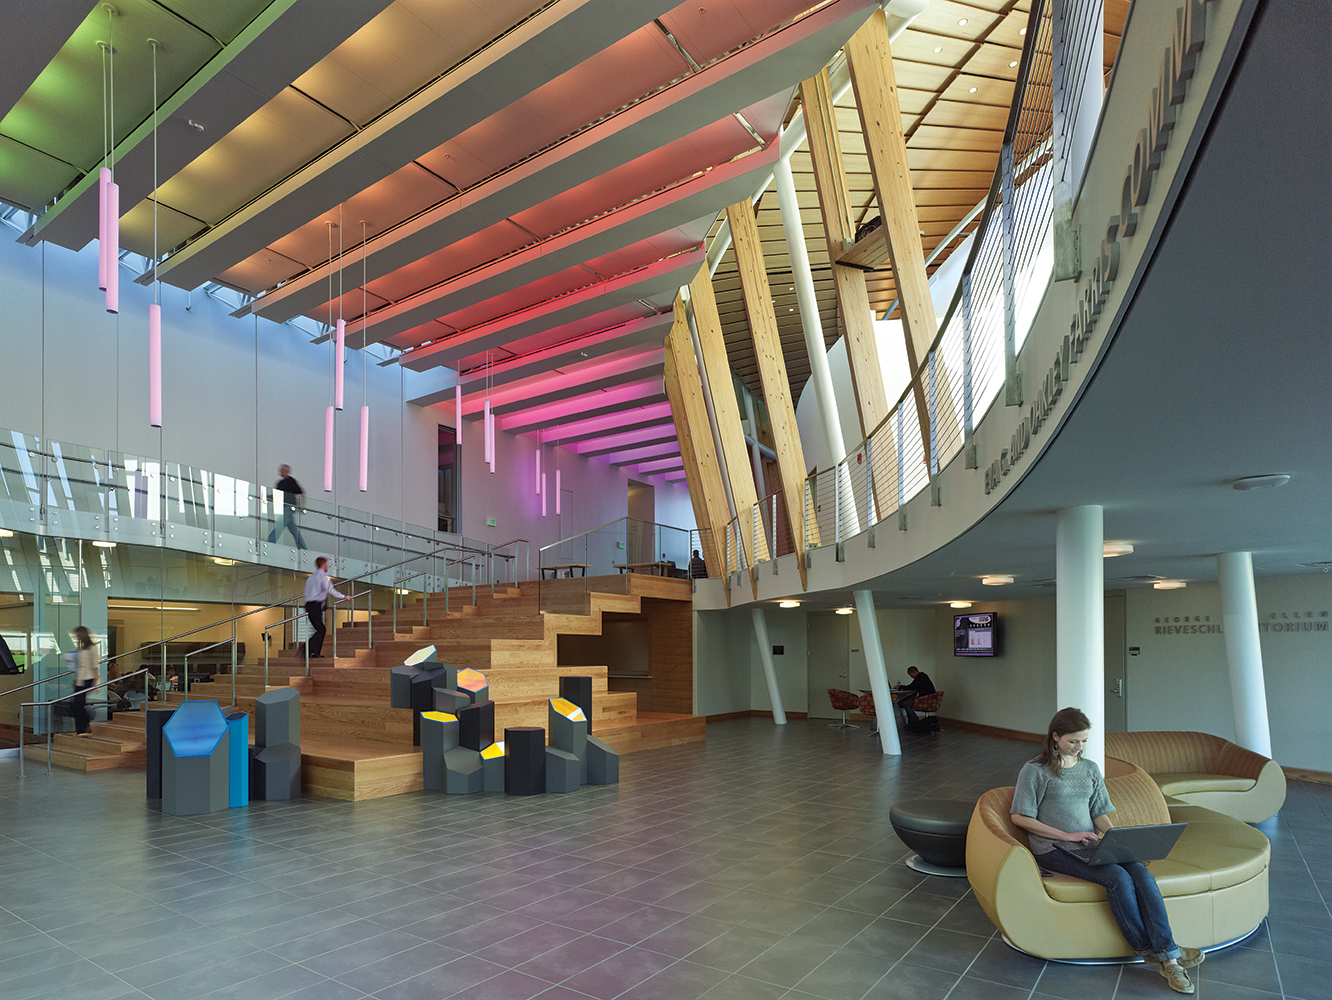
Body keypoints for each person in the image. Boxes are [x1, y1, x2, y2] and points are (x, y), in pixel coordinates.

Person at [1010, 707, 1203, 994]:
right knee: (1118, 877)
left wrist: (1114, 838)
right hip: (1053, 847)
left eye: (1084, 741)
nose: (1080, 747)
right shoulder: (1035, 770)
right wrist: (1067, 834)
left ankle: (1165, 954)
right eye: (1073, 741)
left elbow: (1099, 811)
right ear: (1055, 737)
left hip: (1088, 843)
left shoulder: (1089, 769)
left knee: (1140, 871)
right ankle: (1163, 954)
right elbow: (1020, 817)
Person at [303, 556, 346, 658]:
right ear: (323, 565)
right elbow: (331, 591)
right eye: (327, 564)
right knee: (321, 629)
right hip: (315, 605)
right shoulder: (323, 577)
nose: (328, 566)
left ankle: (312, 651)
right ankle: (308, 650)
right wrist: (344, 596)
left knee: (320, 629)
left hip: (309, 605)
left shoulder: (311, 577)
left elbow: (307, 592)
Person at [266, 464, 307, 548]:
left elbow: (301, 493)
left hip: (290, 507)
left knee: (281, 524)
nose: (281, 471)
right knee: (293, 529)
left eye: (283, 469)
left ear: (287, 471)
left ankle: (270, 541)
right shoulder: (280, 483)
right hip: (283, 507)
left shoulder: (291, 481)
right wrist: (267, 496)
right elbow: (277, 495)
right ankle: (303, 547)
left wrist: (302, 507)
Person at [70, 625, 98, 736]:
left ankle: (86, 726)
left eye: (78, 635)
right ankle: (80, 729)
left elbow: (94, 665)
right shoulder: (81, 648)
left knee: (78, 704)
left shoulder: (92, 648)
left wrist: (95, 682)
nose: (77, 637)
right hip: (80, 677)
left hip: (88, 677)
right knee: (76, 704)